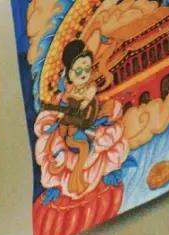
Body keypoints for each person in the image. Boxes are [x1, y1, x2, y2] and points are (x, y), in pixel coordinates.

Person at [34, 39, 129, 200]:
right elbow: (63, 114)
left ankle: (90, 174)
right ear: (70, 73)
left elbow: (89, 99)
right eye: (78, 71)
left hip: (88, 122)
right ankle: (73, 178)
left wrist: (85, 105)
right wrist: (61, 113)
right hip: (70, 129)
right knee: (81, 145)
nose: (84, 73)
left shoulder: (89, 88)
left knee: (106, 123)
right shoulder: (65, 94)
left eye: (87, 68)